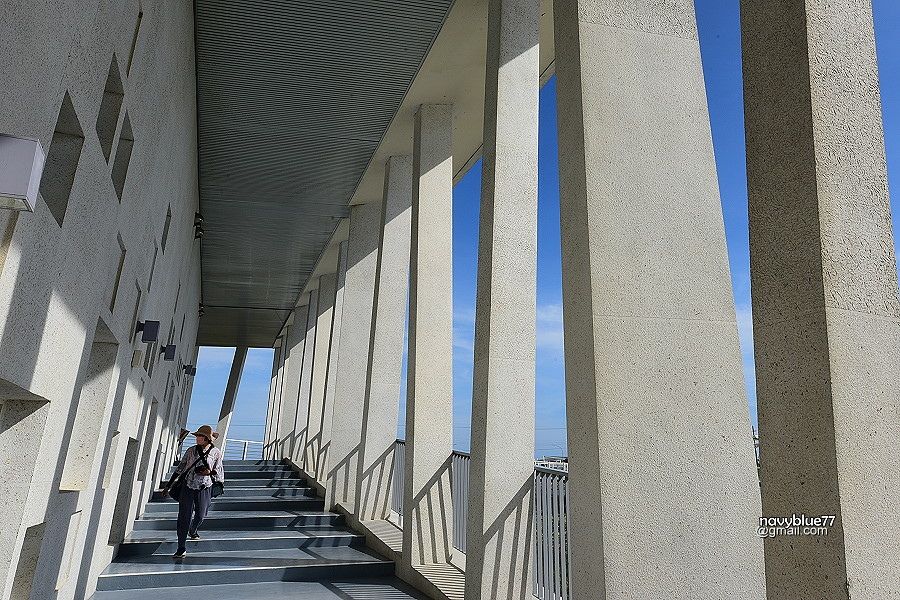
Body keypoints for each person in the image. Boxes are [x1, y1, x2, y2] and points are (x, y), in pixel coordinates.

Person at [162, 425, 224, 558]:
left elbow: (218, 470)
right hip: (187, 486)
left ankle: (193, 529)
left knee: (201, 514)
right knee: (184, 516)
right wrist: (168, 485)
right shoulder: (191, 450)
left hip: (205, 486)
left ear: (207, 438)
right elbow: (180, 468)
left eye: (200, 436)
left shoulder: (216, 452)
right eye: (197, 436)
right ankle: (181, 547)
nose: (197, 438)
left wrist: (209, 473)